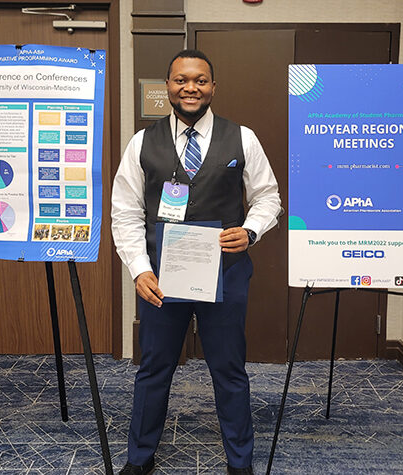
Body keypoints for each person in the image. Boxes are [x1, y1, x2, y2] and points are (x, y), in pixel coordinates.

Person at [111, 49, 281, 475]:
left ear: (213, 87)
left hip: (224, 275)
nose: (191, 88)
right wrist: (138, 268)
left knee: (229, 369)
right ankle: (139, 457)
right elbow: (125, 211)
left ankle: (240, 462)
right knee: (153, 369)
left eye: (200, 80)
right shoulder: (141, 143)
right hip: (160, 279)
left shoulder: (242, 137)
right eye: (181, 80)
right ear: (167, 86)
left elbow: (268, 197)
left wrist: (251, 230)